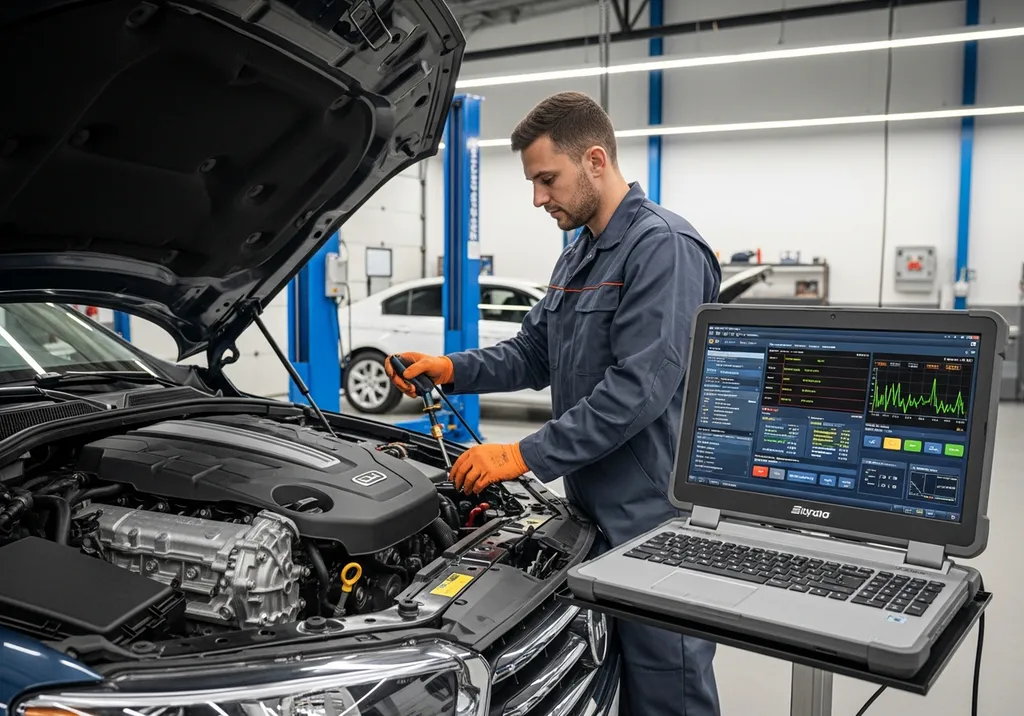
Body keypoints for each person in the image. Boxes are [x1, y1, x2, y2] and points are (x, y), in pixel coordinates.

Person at [385, 91, 722, 716]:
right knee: (603, 678)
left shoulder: (663, 247)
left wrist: (522, 453)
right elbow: (534, 351)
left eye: (547, 179)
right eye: (534, 182)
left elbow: (638, 389)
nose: (538, 198)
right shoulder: (580, 250)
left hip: (654, 520)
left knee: (666, 686)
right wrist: (452, 369)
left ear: (595, 160)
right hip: (592, 513)